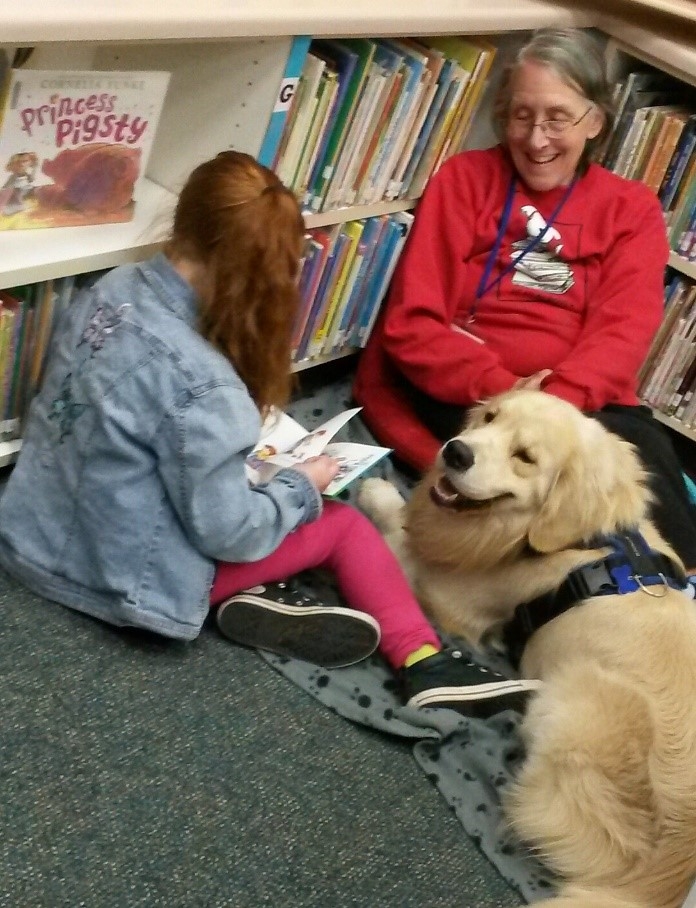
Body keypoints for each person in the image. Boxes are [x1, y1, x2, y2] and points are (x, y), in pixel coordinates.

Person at [0, 150, 538, 718]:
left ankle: (264, 596)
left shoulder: (113, 288)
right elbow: (230, 532)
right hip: (120, 576)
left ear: (184, 219)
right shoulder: (207, 389)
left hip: (31, 529)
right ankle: (424, 662)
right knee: (343, 527)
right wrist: (301, 485)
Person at [354, 26, 696, 570]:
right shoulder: (463, 180)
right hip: (470, 391)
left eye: (557, 118)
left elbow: (622, 334)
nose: (536, 139)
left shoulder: (632, 209)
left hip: (578, 405)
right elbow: (413, 323)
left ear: (596, 122)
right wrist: (507, 397)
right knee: (533, 513)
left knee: (642, 480)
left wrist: (549, 406)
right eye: (521, 115)